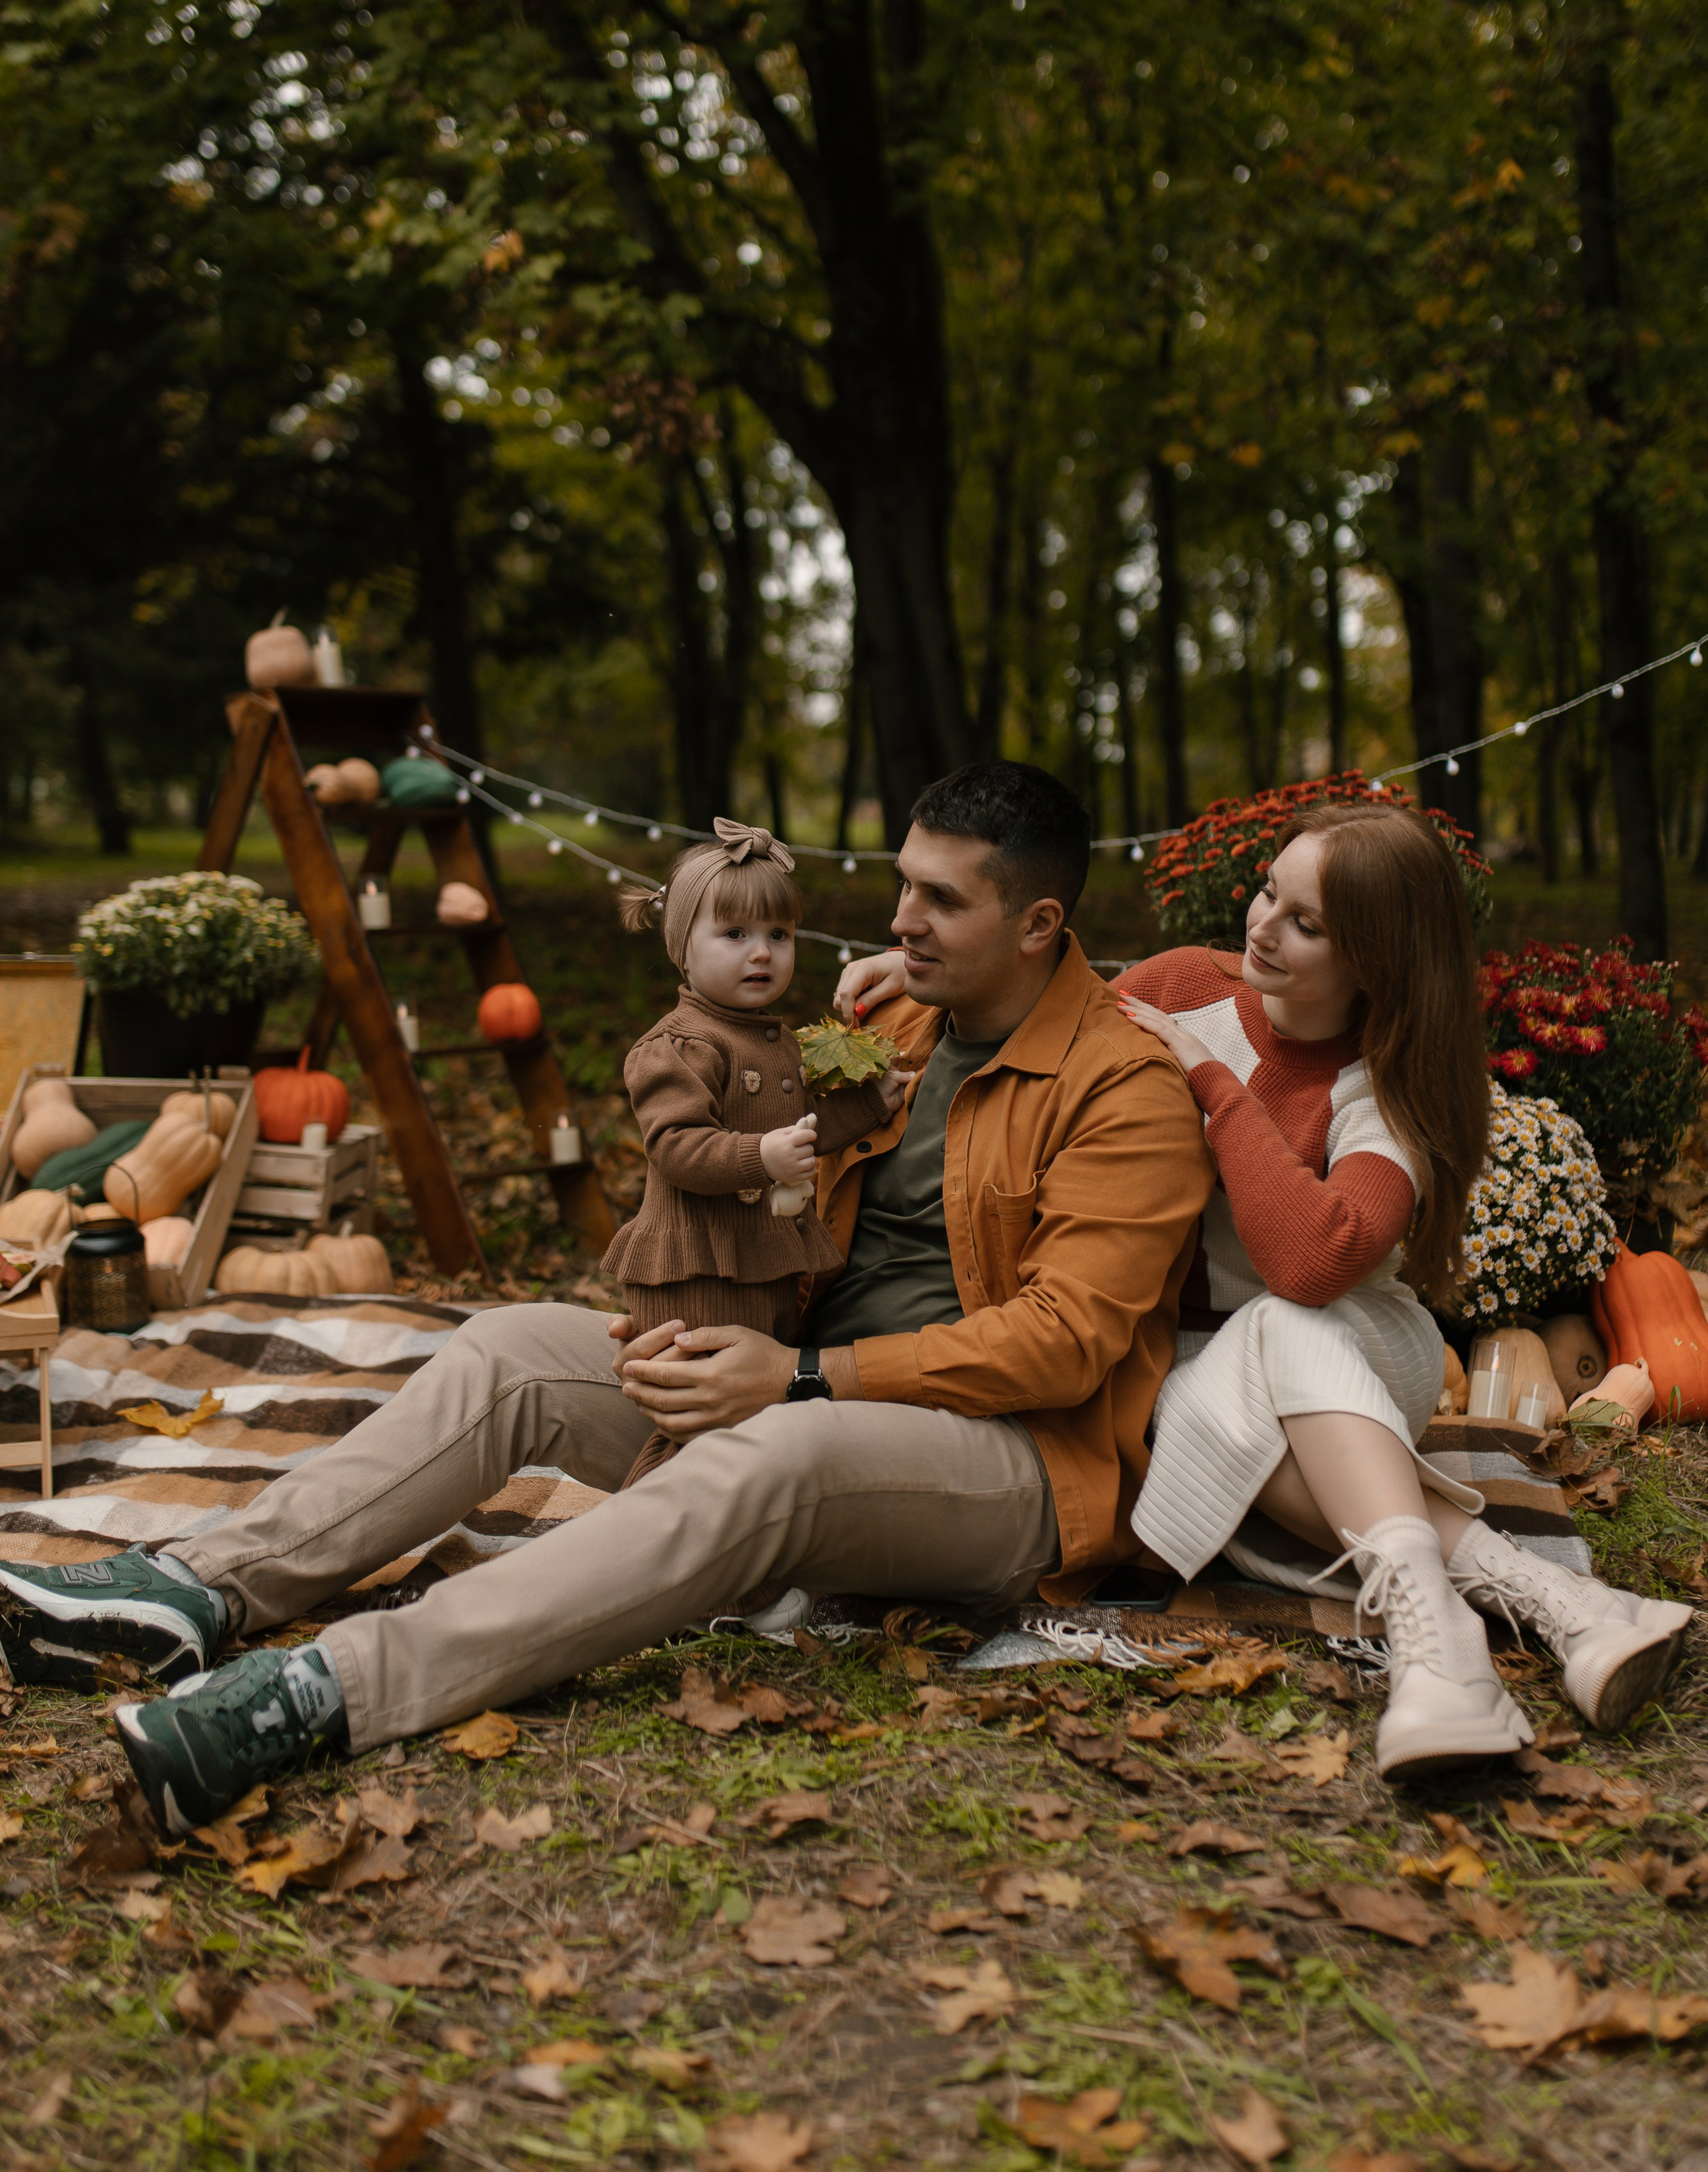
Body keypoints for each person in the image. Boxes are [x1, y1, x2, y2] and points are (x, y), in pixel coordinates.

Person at [0, 762, 1214, 1838]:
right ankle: (201, 1583)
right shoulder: (896, 1014)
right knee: (514, 1344)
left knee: (769, 1460)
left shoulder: (1125, 1091)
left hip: (1010, 1471)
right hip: (794, 1367)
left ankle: (331, 1689)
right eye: (904, 887)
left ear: (1042, 922)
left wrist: (793, 1379)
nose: (902, 920)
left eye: (943, 902)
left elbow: (1063, 1348)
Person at [844, 798, 1692, 1781]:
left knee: (1282, 1324)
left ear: (1376, 960)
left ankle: (1439, 1652)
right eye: (1266, 895)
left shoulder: (1387, 1088)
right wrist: (913, 988)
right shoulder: (1181, 986)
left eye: (1307, 924)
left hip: (1355, 1346)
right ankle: (1567, 1609)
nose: (1261, 927)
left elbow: (1315, 1262)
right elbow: (1034, 1008)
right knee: (1200, 1425)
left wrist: (1212, 1083)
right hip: (1191, 1363)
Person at [603, 817, 907, 1484]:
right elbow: (676, 1148)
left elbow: (799, 1127)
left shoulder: (773, 1039)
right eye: (735, 935)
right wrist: (759, 1158)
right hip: (698, 1268)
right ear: (683, 946)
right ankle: (669, 1553)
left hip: (759, 1262)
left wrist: (867, 1105)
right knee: (699, 1422)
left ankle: (731, 1555)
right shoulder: (680, 1046)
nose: (762, 953)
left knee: (751, 1415)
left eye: (779, 935)